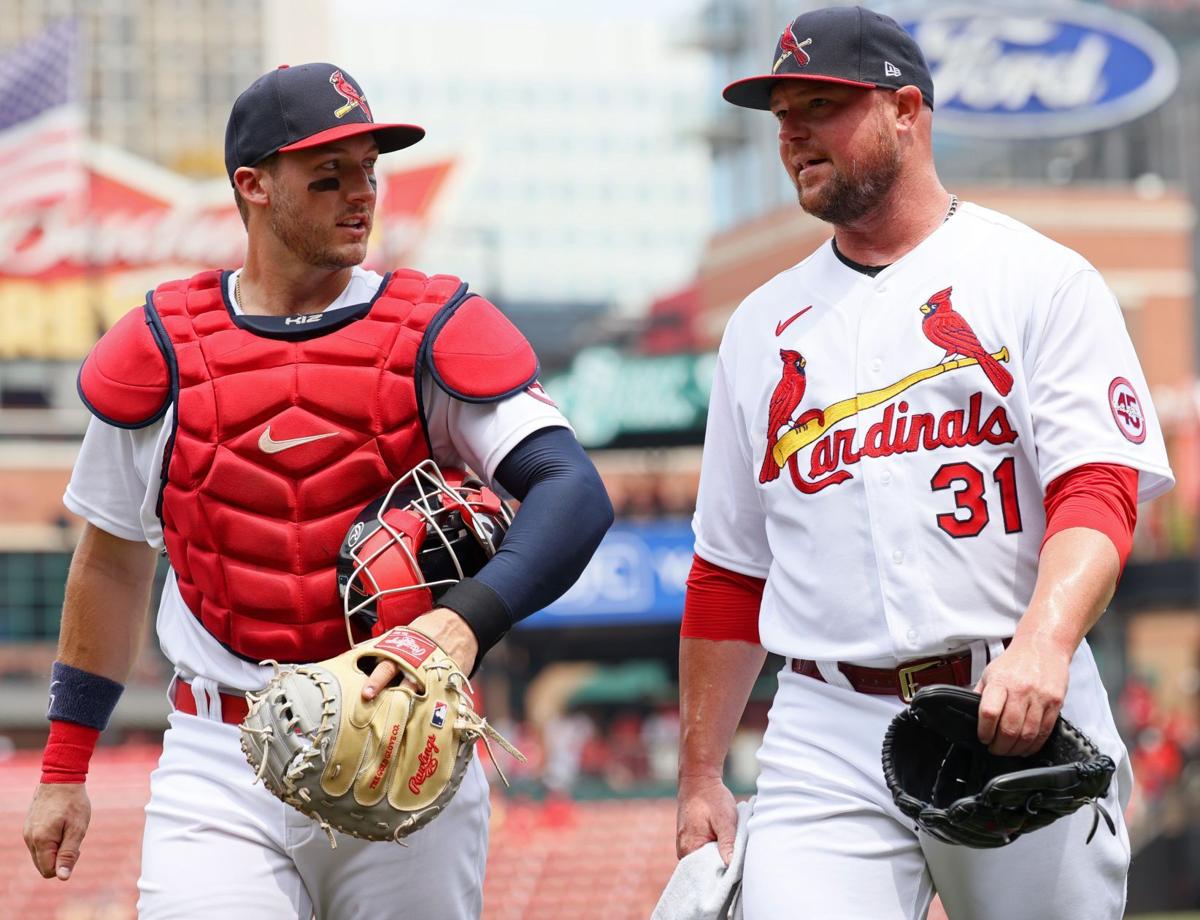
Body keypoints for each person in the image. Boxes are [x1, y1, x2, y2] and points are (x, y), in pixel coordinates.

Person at [23, 62, 613, 920]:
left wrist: (463, 620)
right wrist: (64, 769)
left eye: (369, 171)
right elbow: (111, 566)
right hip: (223, 751)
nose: (360, 195)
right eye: (327, 176)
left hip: (404, 737)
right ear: (252, 186)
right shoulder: (160, 346)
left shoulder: (430, 328)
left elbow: (573, 490)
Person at [673, 7, 1174, 919]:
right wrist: (701, 774)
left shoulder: (1036, 279)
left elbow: (1097, 492)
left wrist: (1045, 643)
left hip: (1011, 701)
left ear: (907, 110)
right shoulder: (759, 327)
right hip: (824, 726)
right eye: (781, 112)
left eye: (821, 104)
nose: (790, 132)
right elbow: (727, 573)